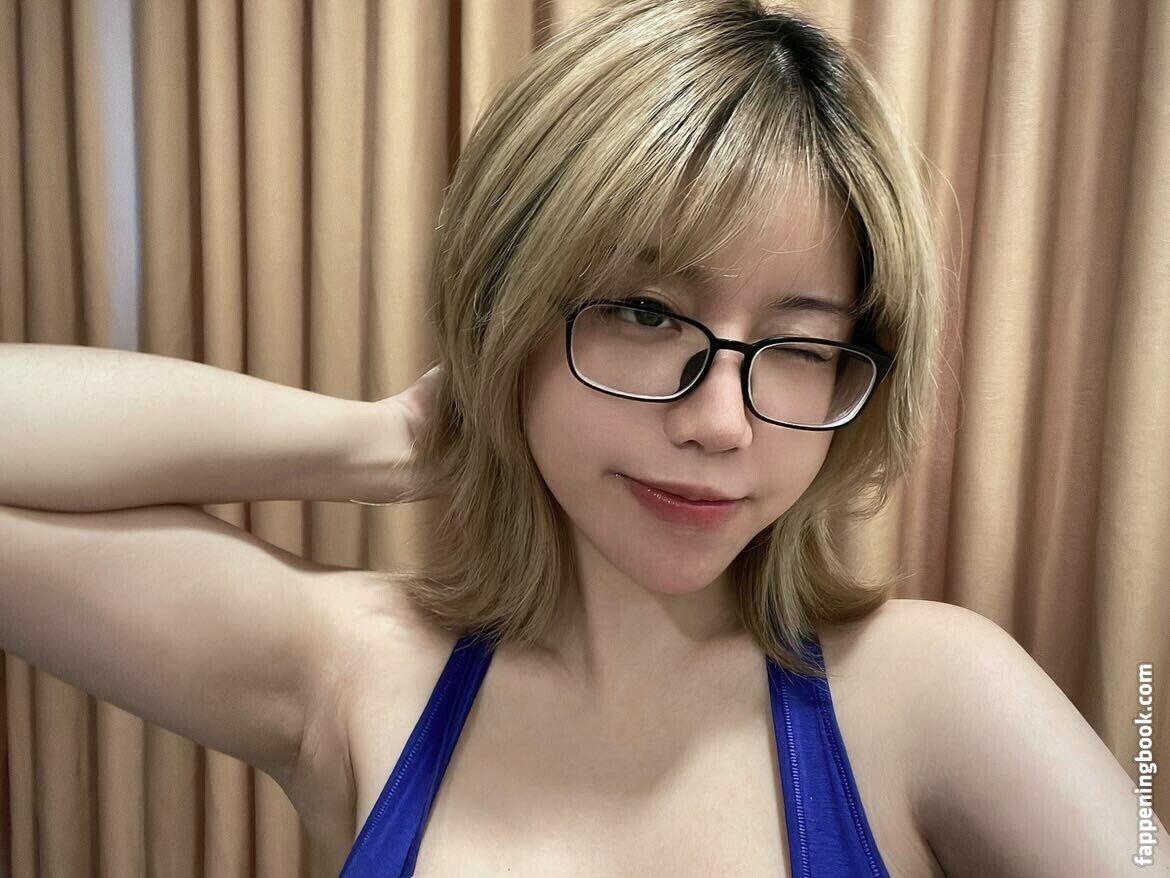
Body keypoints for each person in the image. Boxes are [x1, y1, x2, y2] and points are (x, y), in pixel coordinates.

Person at [0, 1, 1164, 876]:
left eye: (800, 344)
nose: (720, 423)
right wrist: (385, 441)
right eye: (646, 313)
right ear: (505, 312)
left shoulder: (936, 694)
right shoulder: (352, 670)